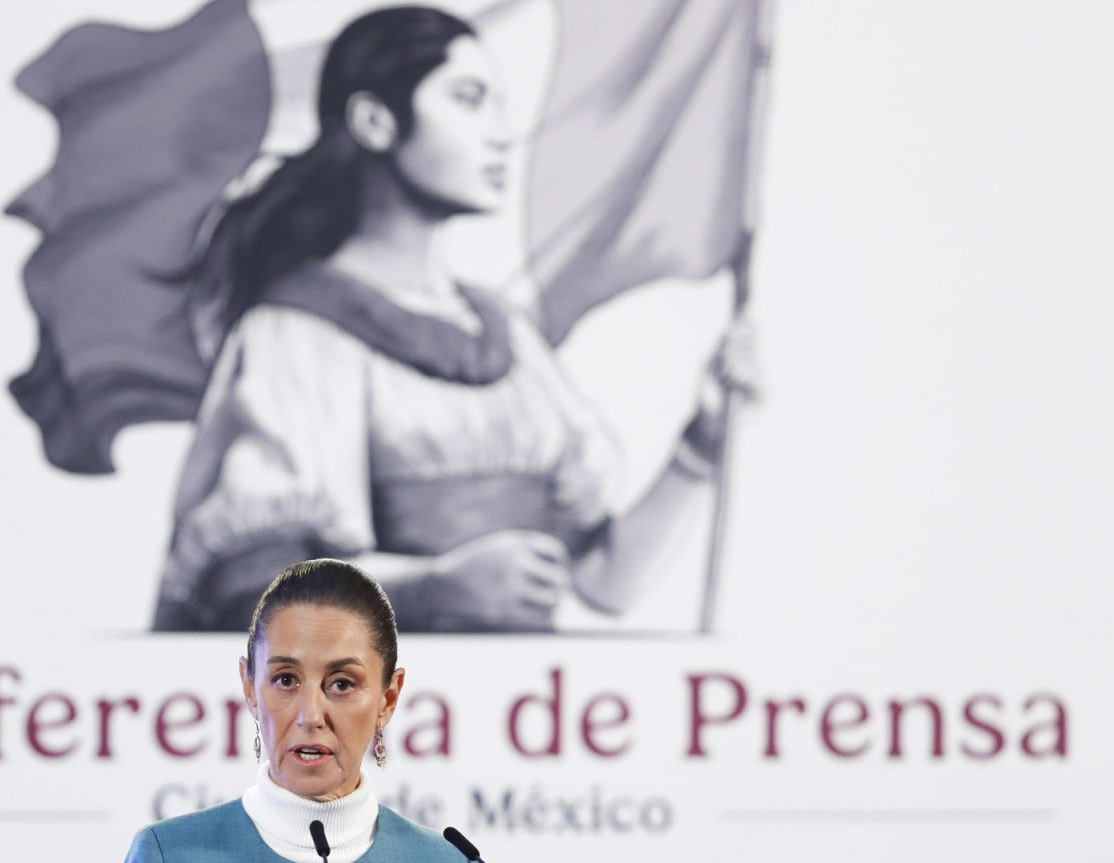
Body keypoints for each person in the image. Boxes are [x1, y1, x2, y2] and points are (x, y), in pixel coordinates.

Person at [153, 6, 756, 633]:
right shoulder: (294, 333)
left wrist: (702, 441)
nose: (500, 134)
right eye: (468, 100)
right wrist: (429, 590)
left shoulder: (506, 336)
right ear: (375, 121)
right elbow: (254, 596)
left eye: (498, 104)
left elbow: (605, 582)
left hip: (523, 714)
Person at [89, 559, 501, 863]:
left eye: (342, 684)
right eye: (285, 680)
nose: (310, 714)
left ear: (388, 698)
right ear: (249, 687)